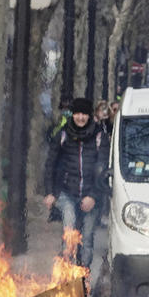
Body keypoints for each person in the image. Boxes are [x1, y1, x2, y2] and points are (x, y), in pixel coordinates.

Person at [44, 97, 109, 267]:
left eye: (84, 114)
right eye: (77, 113)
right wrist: (50, 192)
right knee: (69, 231)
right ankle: (67, 269)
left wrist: (93, 196)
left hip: (91, 194)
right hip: (67, 192)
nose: (80, 117)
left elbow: (103, 170)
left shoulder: (99, 136)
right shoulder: (63, 134)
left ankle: (83, 275)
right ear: (72, 114)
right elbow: (50, 164)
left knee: (87, 238)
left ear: (90, 115)